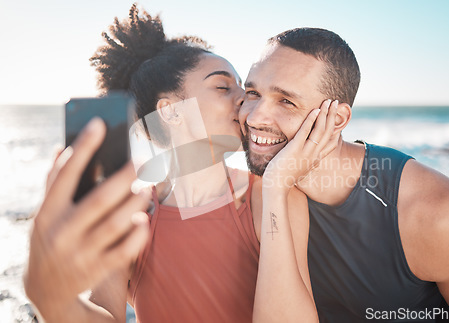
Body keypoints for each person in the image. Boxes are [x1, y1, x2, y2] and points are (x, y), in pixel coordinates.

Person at [23, 6, 317, 323]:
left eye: (243, 89)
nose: (244, 100)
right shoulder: (133, 215)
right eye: (222, 87)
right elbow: (106, 313)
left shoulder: (273, 198)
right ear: (170, 111)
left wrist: (275, 188)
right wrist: (49, 297)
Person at [239, 27, 449, 322]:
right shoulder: (261, 189)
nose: (254, 117)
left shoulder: (434, 214)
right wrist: (276, 187)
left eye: (286, 101)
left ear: (337, 120)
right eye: (252, 93)